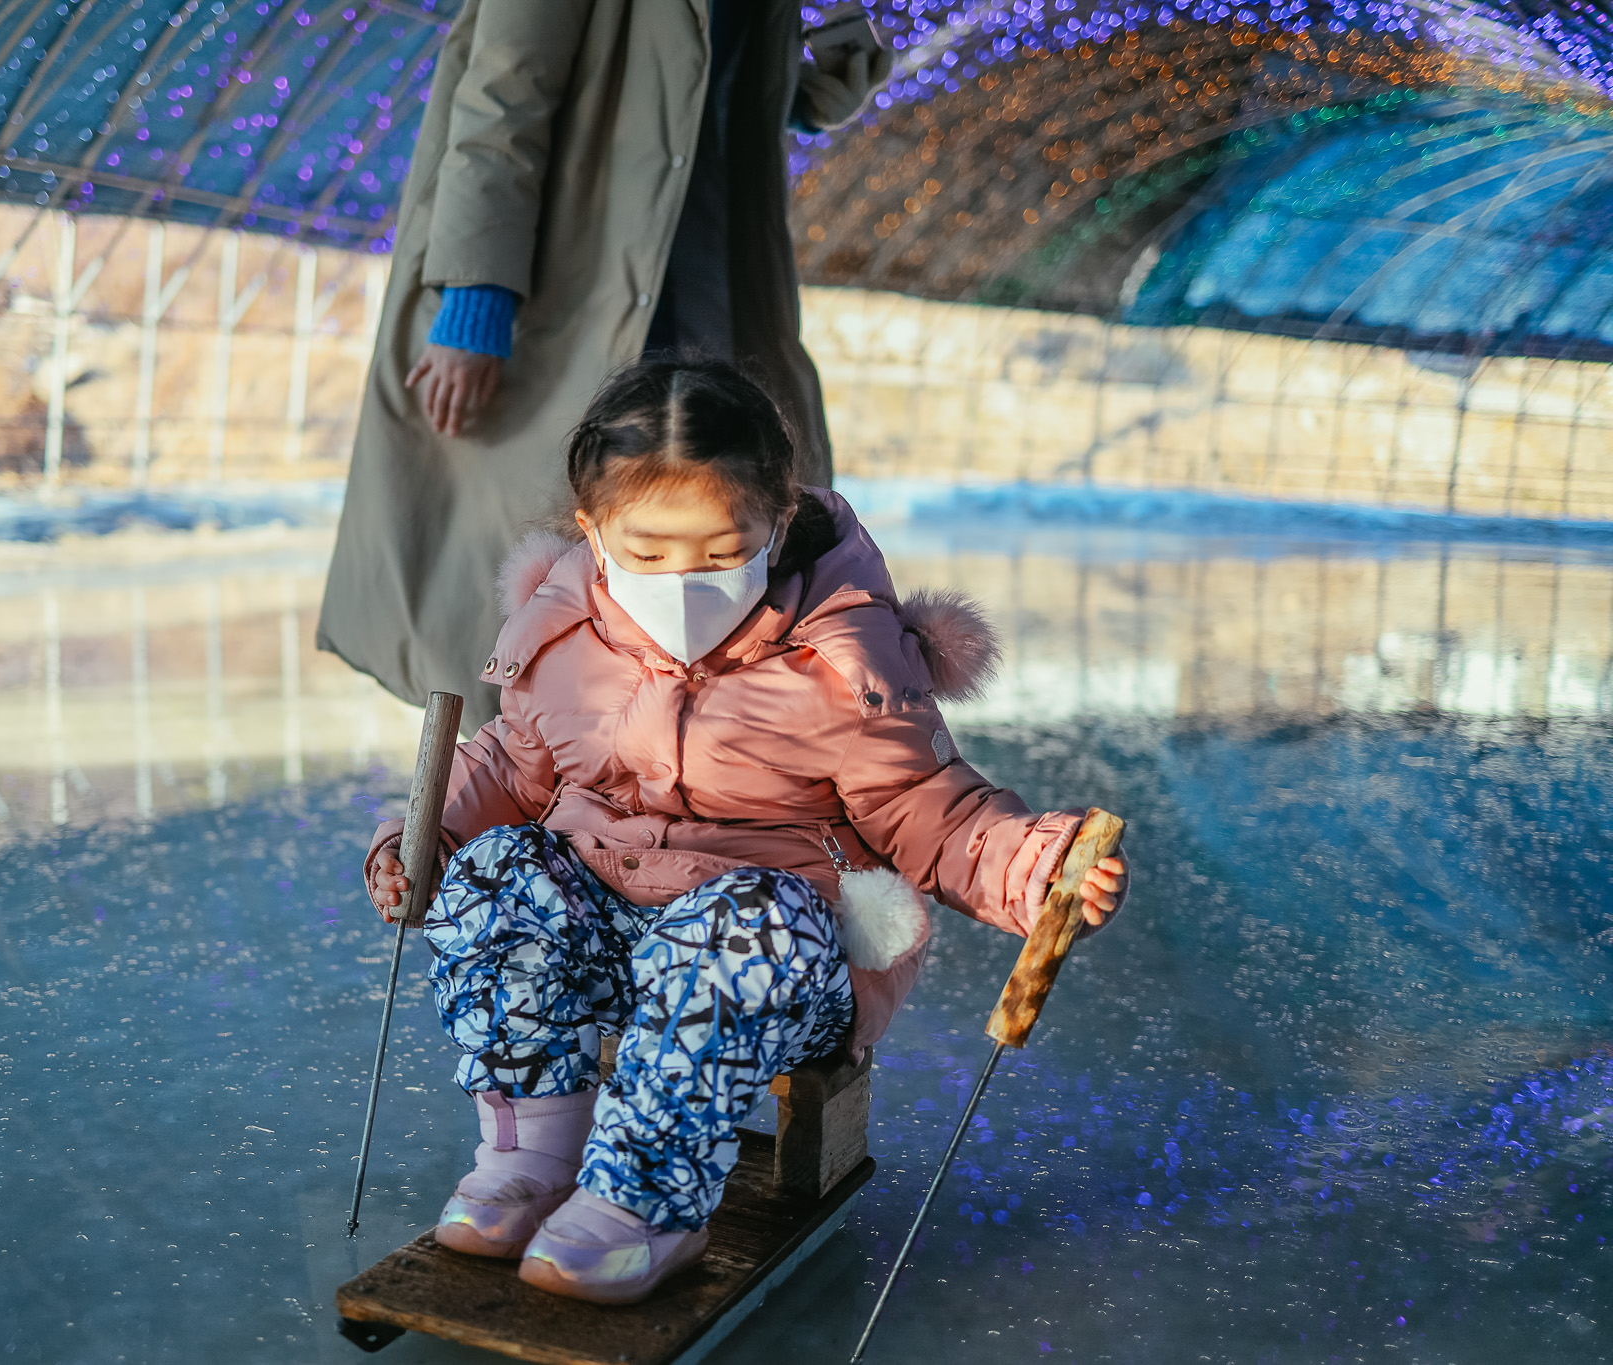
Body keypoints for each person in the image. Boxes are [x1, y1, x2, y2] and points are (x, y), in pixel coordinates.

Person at [362, 357, 1130, 1305]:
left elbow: (934, 809)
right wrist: (425, 837)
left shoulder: (843, 658)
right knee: (493, 876)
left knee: (733, 927)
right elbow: (511, 765)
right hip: (615, 922)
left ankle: (644, 1202)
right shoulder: (562, 633)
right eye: (648, 553)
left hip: (771, 957)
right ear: (591, 527)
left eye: (722, 551)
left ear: (776, 516)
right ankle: (531, 1154)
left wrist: (1039, 867)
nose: (684, 579)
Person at [319, 1, 895, 731]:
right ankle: (526, 774)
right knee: (545, 547)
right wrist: (477, 299)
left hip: (702, 276)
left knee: (734, 532)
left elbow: (738, 88)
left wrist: (834, 48)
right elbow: (505, 87)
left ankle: (677, 781)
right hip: (580, 276)